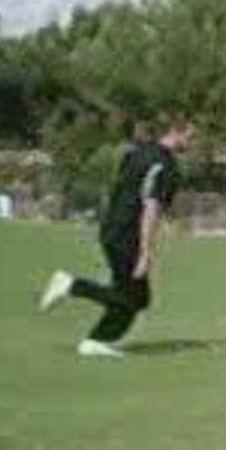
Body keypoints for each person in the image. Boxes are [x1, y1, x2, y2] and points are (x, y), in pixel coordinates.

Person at [39, 118, 194, 357]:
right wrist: (146, 253)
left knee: (137, 297)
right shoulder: (166, 165)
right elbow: (150, 208)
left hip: (112, 228)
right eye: (190, 136)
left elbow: (124, 190)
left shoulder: (137, 152)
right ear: (176, 131)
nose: (191, 143)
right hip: (127, 235)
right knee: (130, 297)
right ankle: (71, 287)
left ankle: (96, 340)